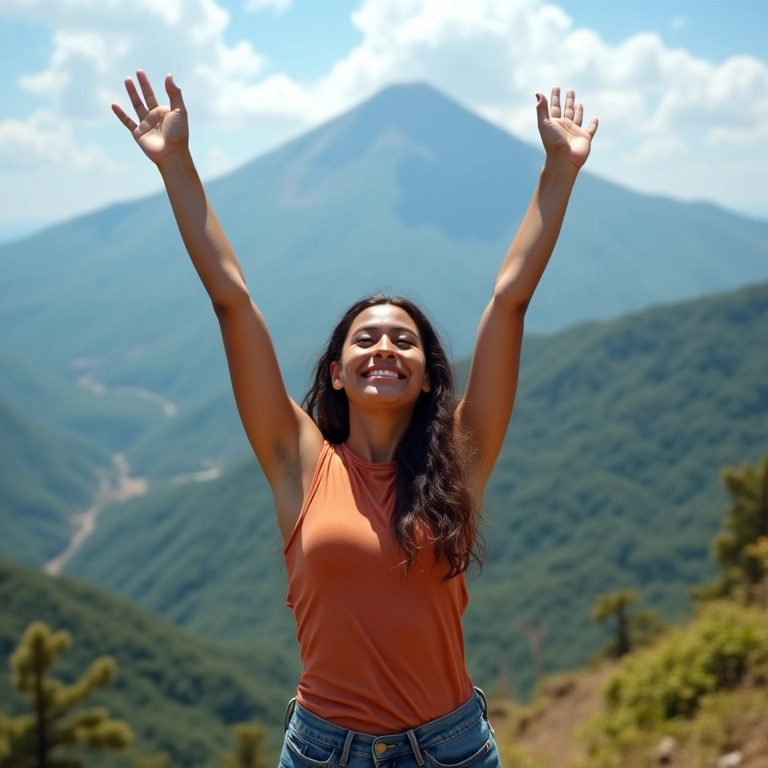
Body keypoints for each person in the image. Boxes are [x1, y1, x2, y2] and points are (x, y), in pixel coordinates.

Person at [113, 71, 598, 768]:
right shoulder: (299, 460)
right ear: (336, 372)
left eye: (404, 340)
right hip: (321, 751)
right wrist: (177, 164)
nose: (384, 347)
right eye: (364, 338)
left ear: (428, 375)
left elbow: (510, 301)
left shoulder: (459, 456)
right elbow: (232, 301)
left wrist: (558, 172)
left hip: (450, 748)